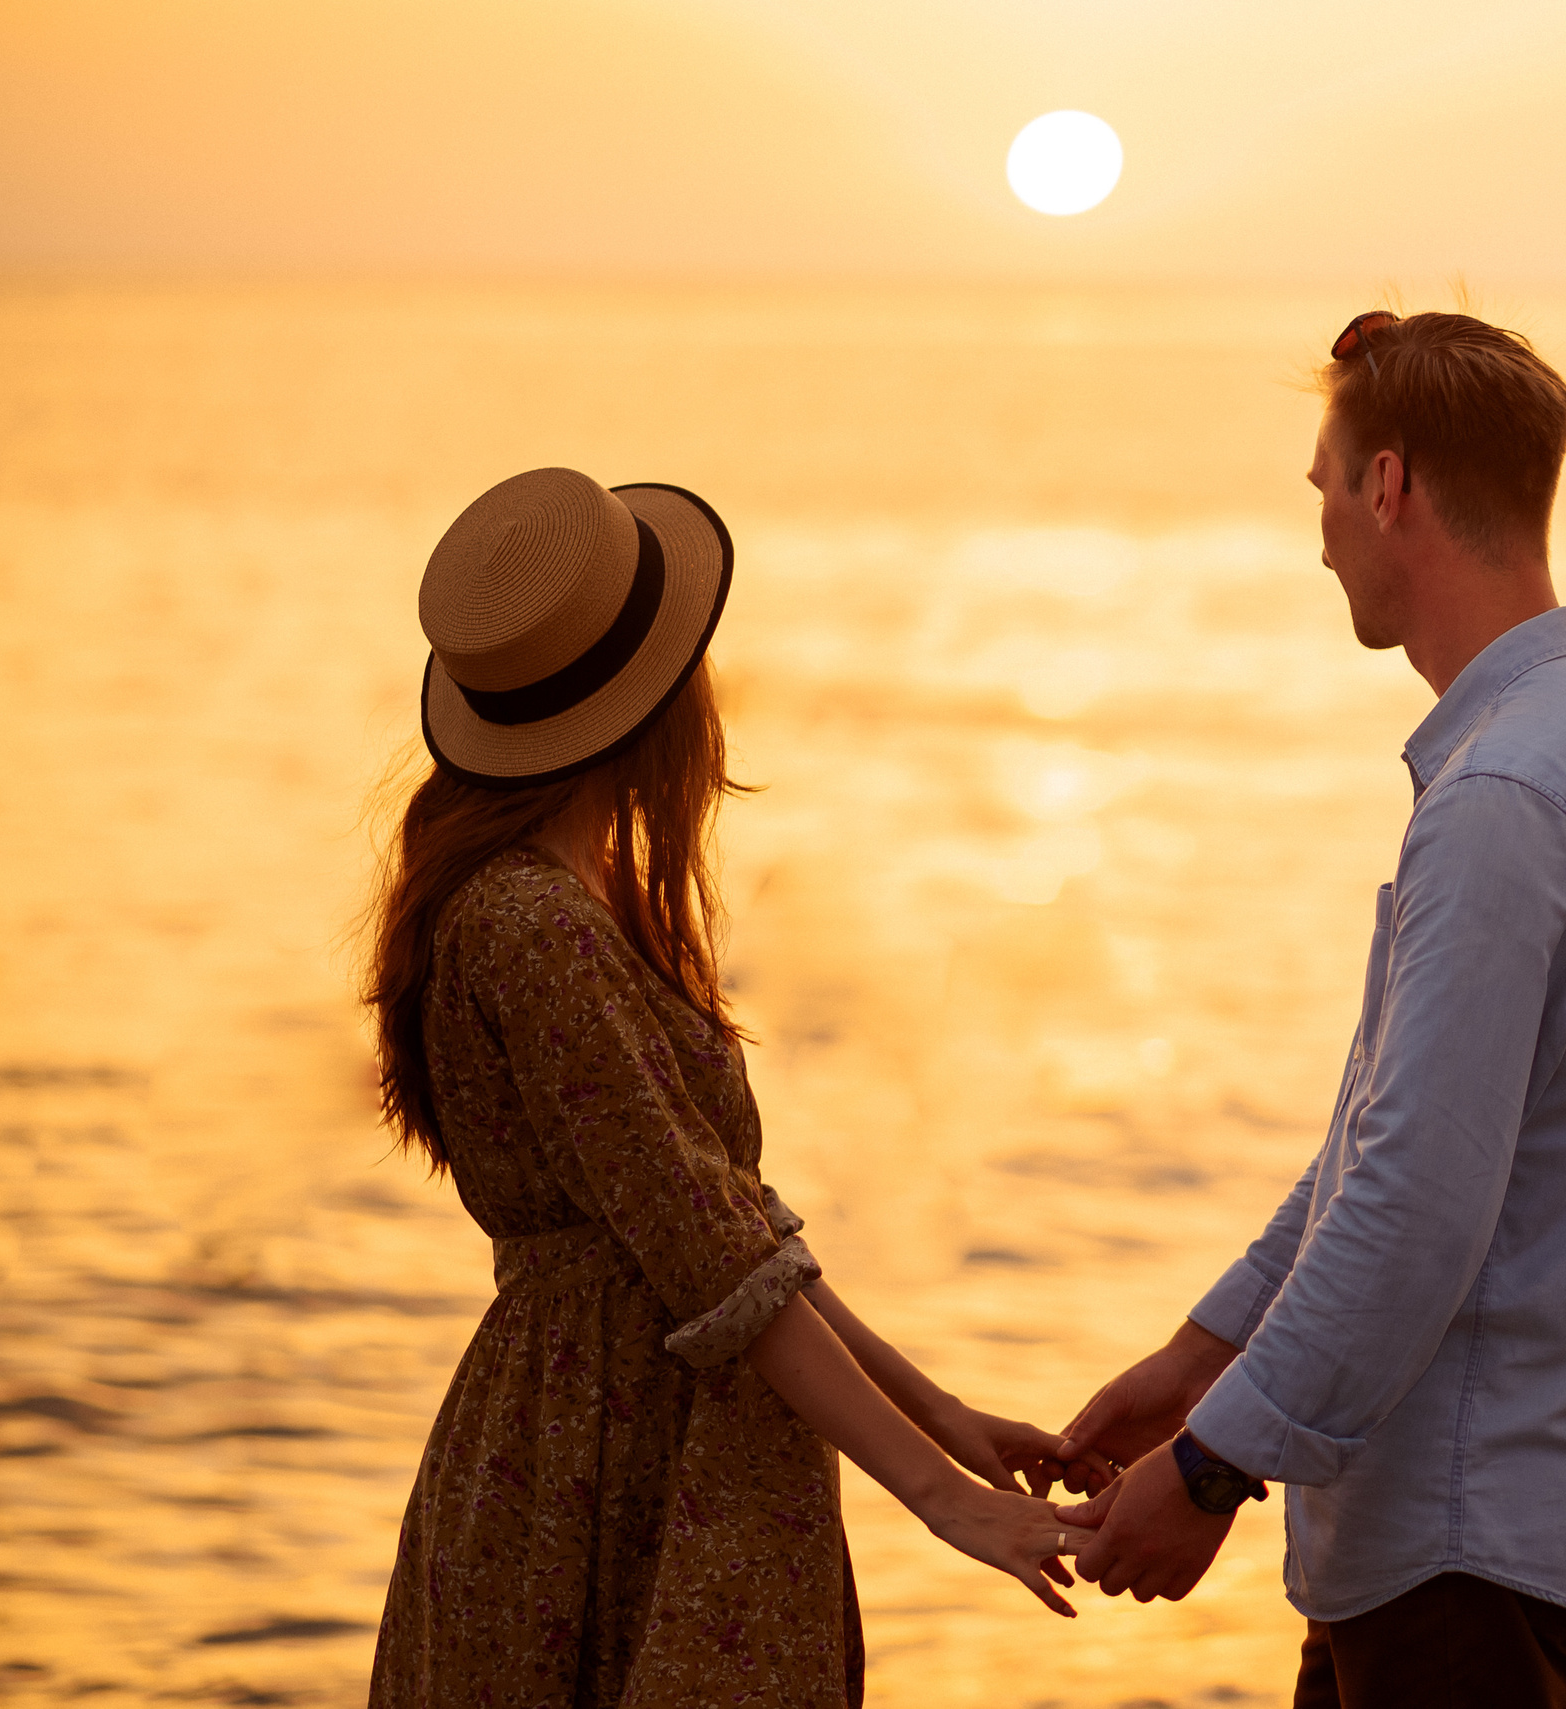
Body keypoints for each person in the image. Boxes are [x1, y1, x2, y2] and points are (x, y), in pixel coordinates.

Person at [362, 468, 1102, 1707]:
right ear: (652, 696)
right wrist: (943, 1500)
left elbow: (737, 1231)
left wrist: (942, 1416)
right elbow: (708, 1255)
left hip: (652, 1433)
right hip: (602, 1460)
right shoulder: (532, 925)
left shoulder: (576, 900)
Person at [1053, 312, 1566, 1708]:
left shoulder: (1502, 799)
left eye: (1327, 489)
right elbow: (1390, 1140)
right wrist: (1195, 1364)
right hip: (1469, 1512)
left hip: (1461, 1521)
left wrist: (1213, 1465)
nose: (1323, 535)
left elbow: (1416, 1196)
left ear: (1391, 485)